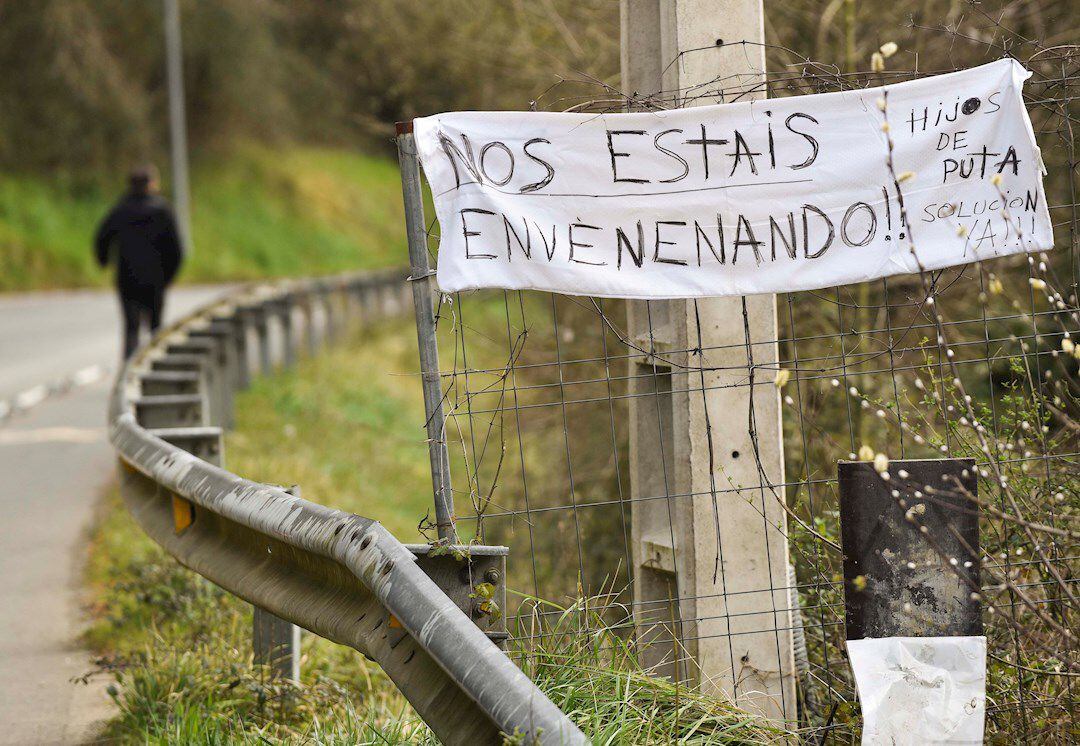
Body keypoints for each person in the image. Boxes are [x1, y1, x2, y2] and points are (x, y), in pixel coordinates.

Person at [94, 165, 184, 359]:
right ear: (152, 184)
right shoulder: (163, 211)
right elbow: (176, 250)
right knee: (156, 329)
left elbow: (102, 238)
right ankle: (157, 371)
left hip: (127, 279)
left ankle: (128, 370)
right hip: (155, 280)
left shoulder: (120, 210)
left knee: (131, 330)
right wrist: (167, 277)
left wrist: (104, 262)